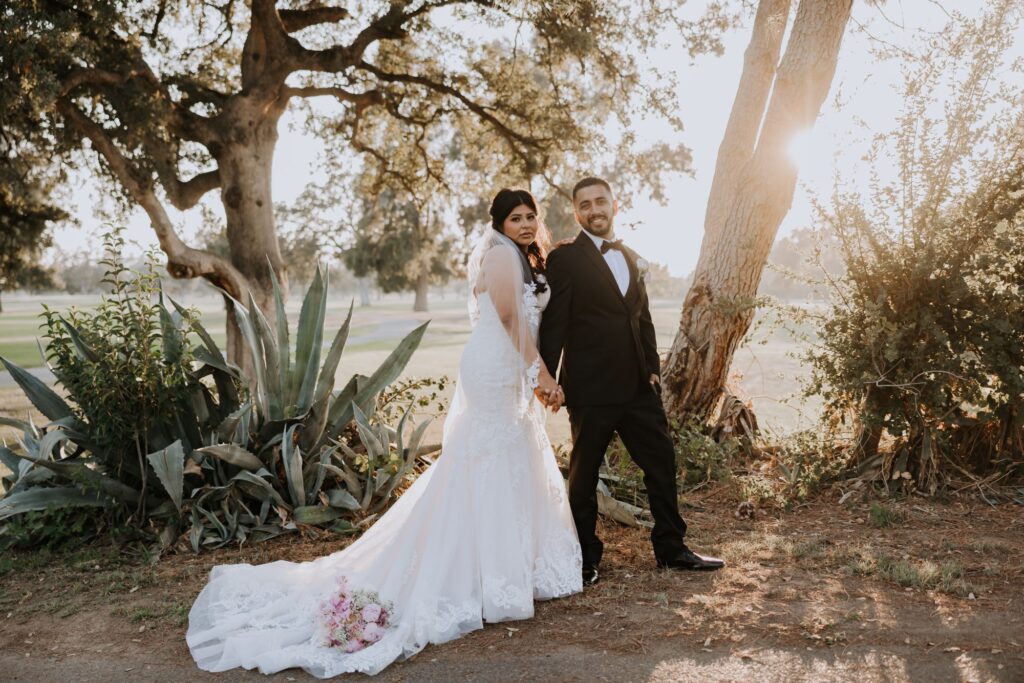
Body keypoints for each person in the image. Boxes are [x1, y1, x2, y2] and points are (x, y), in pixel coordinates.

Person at [187, 188, 581, 678]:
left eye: (531, 218)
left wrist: (533, 372)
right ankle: (486, 577)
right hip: (497, 367)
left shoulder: (522, 258)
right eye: (515, 218)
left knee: (511, 457)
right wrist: (539, 374)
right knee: (487, 460)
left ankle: (508, 568)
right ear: (498, 223)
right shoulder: (501, 257)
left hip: (511, 367)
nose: (525, 225)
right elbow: (507, 318)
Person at [539, 176, 724, 587]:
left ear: (614, 205)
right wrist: (546, 377)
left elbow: (640, 317)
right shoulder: (565, 260)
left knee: (661, 463)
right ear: (576, 213)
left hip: (639, 388)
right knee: (584, 477)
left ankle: (672, 549)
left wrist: (653, 370)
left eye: (600, 201)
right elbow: (555, 323)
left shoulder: (633, 256)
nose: (594, 210)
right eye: (584, 205)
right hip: (590, 389)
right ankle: (585, 558)